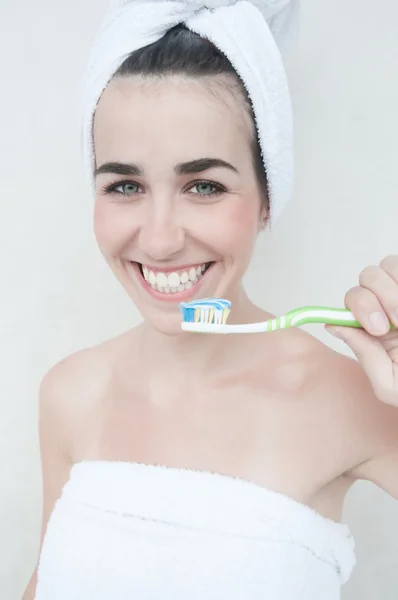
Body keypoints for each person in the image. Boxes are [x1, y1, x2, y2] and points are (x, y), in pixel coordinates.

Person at [23, 1, 398, 599]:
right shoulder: (70, 392)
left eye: (204, 186)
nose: (160, 238)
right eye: (124, 185)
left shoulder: (352, 398)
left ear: (267, 198)